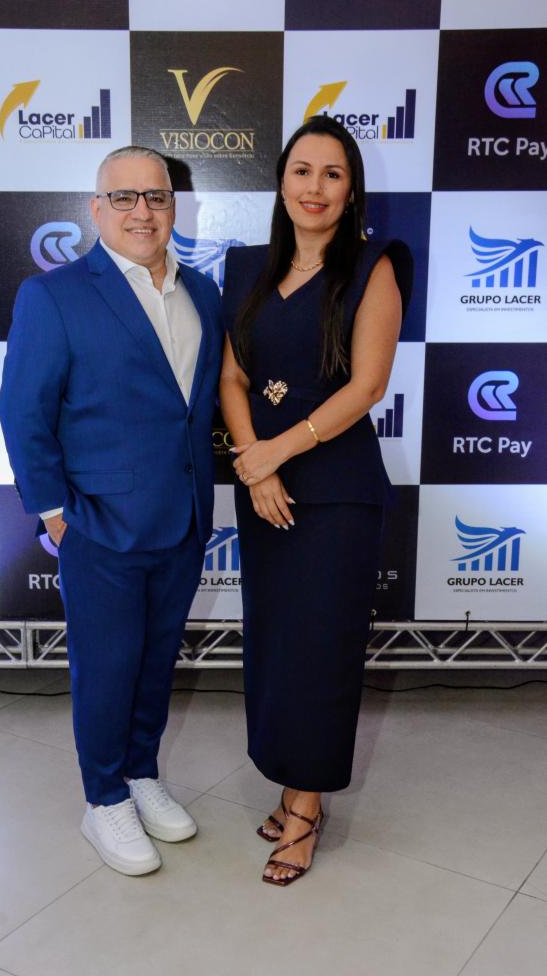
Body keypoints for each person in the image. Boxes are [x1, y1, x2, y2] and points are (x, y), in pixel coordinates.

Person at [0, 146, 222, 876]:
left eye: (155, 197)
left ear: (174, 208)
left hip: (183, 517)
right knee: (106, 667)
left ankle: (139, 771)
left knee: (156, 661)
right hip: (98, 522)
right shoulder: (53, 295)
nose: (141, 211)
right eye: (123, 197)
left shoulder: (202, 292)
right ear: (96, 210)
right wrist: (55, 513)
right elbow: (23, 410)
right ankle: (102, 799)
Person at [219, 117, 412, 887]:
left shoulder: (372, 267)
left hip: (335, 494)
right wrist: (254, 466)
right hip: (264, 491)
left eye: (333, 174)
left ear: (350, 190)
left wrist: (278, 451)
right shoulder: (244, 268)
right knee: (274, 644)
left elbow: (366, 387)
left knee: (320, 651)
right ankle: (287, 781)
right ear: (280, 181)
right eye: (302, 170)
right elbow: (231, 378)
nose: (315, 187)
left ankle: (304, 807)